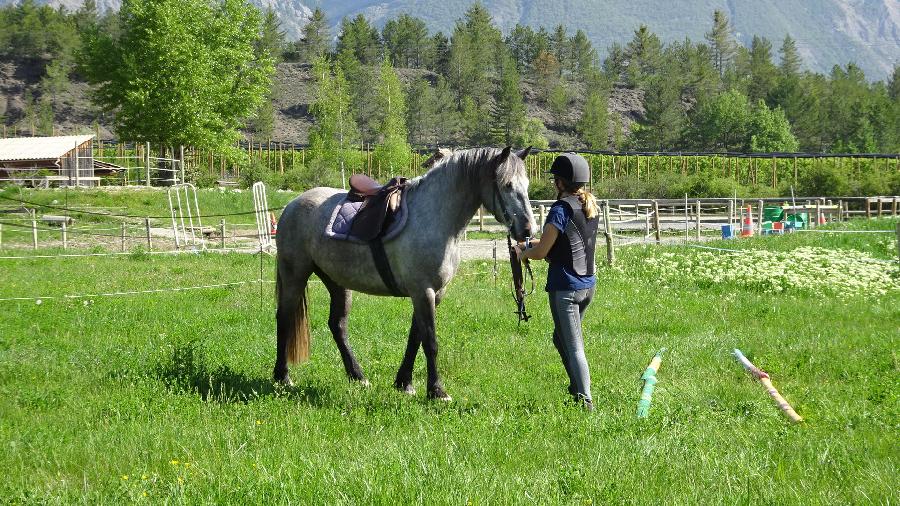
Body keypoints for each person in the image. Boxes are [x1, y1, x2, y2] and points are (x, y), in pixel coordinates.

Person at [514, 153, 600, 410]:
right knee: (560, 338)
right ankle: (576, 388)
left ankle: (585, 400)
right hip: (587, 286)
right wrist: (528, 245)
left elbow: (542, 253)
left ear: (561, 182)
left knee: (574, 346)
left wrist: (524, 253)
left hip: (566, 289)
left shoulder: (560, 209)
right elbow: (560, 244)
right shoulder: (589, 205)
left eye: (555, 180)